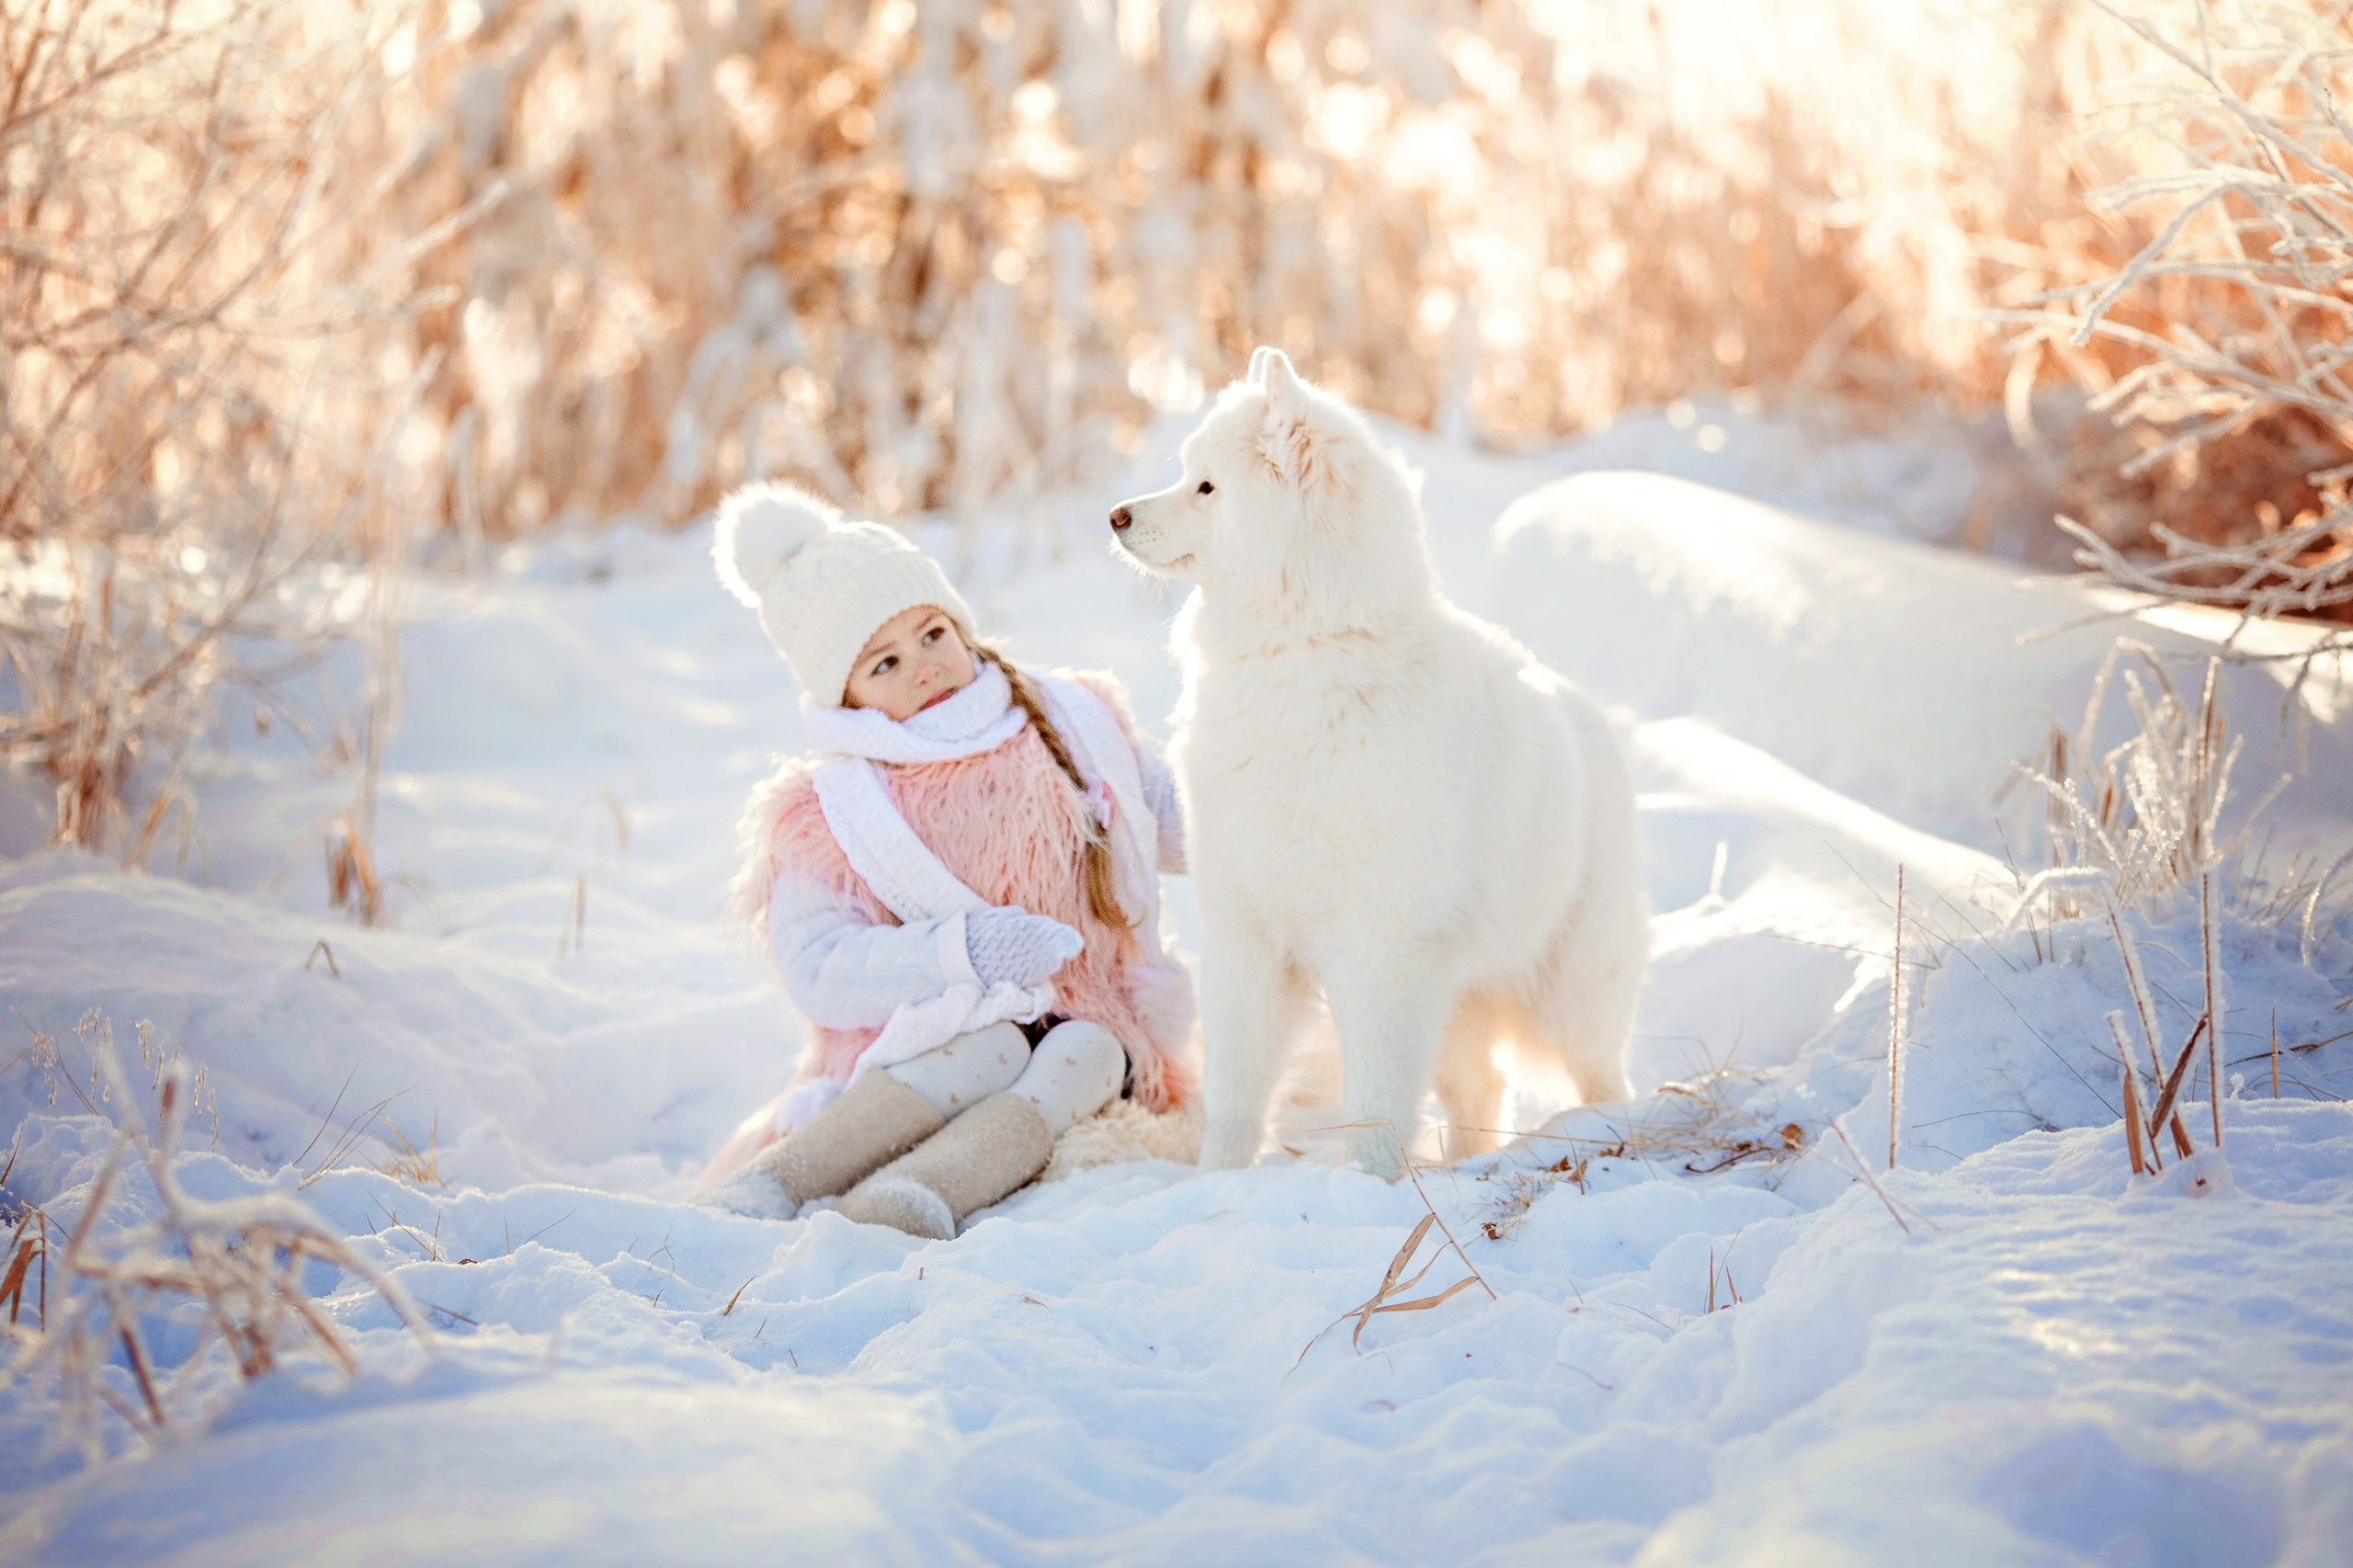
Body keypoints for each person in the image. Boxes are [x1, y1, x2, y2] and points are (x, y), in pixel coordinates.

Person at [692, 482, 1195, 1237]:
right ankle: (784, 1177)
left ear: (960, 624)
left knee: (1087, 1051)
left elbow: (1183, 823)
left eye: (932, 635)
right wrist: (964, 951)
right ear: (846, 695)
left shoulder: (1072, 725)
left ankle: (930, 1188)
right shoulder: (832, 808)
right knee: (983, 1049)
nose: (923, 667)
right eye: (884, 664)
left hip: (1091, 1021)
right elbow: (819, 966)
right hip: (933, 1035)